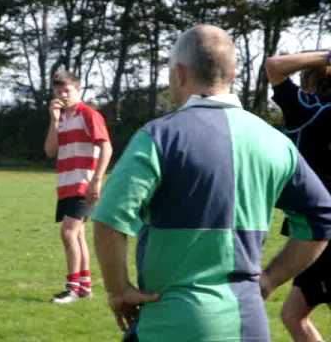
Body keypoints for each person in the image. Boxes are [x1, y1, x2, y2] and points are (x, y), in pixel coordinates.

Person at [92, 25, 331, 341]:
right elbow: (322, 218)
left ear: (178, 73)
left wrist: (118, 290)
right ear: (233, 74)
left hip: (173, 321)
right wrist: (271, 278)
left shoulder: (159, 137)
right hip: (250, 324)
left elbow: (110, 218)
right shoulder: (275, 142)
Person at [266, 50, 331, 342]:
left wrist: (327, 55)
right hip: (317, 231)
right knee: (293, 314)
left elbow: (275, 67)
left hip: (323, 231)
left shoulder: (309, 109)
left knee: (293, 314)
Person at [44, 70, 112, 304]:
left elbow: (107, 148)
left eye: (67, 90)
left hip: (84, 184)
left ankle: (71, 288)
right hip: (65, 185)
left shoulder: (89, 114)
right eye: (58, 91)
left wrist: (97, 180)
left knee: (68, 232)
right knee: (78, 235)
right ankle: (84, 287)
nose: (63, 95)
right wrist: (54, 120)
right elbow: (50, 151)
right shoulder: (62, 118)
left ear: (77, 89)